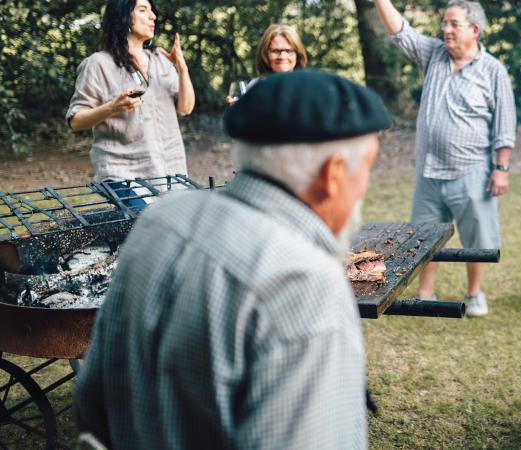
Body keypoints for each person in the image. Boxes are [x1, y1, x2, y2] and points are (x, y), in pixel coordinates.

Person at [74, 70, 390, 449]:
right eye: (367, 169)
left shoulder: (160, 219)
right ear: (334, 174)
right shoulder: (303, 282)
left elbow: (91, 403)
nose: (366, 186)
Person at [373, 0, 516, 317]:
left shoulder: (493, 71)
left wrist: (501, 169)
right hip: (429, 171)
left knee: (476, 239)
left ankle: (475, 294)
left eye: (454, 24)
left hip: (473, 171)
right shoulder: (433, 54)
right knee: (424, 237)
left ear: (474, 30)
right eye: (444, 24)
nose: (446, 30)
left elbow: (504, 125)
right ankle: (425, 294)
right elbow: (400, 32)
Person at [67, 0, 194, 207]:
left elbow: (186, 108)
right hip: (121, 173)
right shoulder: (98, 64)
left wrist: (182, 70)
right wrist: (112, 108)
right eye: (143, 10)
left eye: (152, 11)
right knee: (145, 224)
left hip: (169, 171)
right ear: (124, 17)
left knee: (167, 231)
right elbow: (75, 121)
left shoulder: (161, 59)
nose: (153, 16)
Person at [226, 24, 308, 104]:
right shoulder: (254, 86)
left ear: (298, 54)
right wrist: (237, 110)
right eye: (275, 51)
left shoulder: (309, 86)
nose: (282, 56)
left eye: (288, 51)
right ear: (264, 54)